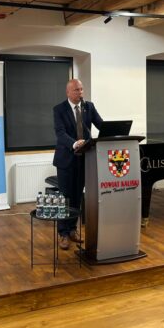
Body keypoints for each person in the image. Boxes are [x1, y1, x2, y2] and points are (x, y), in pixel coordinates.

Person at [53, 79, 103, 250]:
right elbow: (60, 133)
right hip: (66, 159)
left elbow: (101, 124)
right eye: (76, 90)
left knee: (76, 196)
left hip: (84, 159)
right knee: (65, 197)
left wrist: (114, 132)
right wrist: (74, 143)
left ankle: (73, 230)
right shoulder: (59, 109)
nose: (80, 92)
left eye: (81, 89)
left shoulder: (88, 106)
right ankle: (63, 234)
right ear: (68, 92)